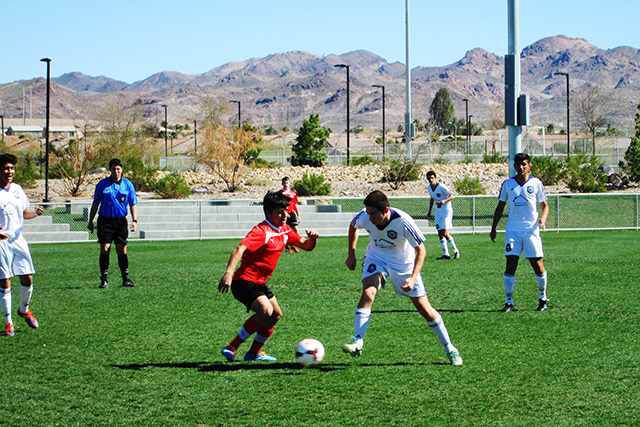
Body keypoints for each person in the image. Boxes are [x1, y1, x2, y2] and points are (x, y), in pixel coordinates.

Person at [343, 190, 462, 365]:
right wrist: (351, 254)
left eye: (373, 214)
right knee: (368, 293)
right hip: (377, 257)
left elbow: (421, 250)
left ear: (385, 210)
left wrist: (413, 278)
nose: (369, 218)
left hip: (403, 263)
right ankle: (358, 342)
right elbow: (354, 225)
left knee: (423, 308)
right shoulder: (365, 216)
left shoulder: (403, 221)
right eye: (367, 213)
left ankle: (450, 348)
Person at [219, 190, 319, 362]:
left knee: (275, 315)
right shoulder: (261, 231)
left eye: (286, 211)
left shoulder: (284, 229)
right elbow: (239, 249)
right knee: (266, 311)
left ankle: (253, 353)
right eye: (280, 212)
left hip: (259, 282)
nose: (285, 215)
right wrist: (228, 273)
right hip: (243, 281)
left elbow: (305, 245)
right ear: (268, 213)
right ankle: (232, 347)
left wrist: (313, 239)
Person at [490, 153, 550, 312]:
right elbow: (500, 207)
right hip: (513, 231)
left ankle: (542, 298)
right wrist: (494, 227)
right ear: (514, 166)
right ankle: (509, 302)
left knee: (537, 265)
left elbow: (544, 206)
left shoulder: (536, 183)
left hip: (531, 231)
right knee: (510, 265)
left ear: (529, 165)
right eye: (518, 164)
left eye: (524, 164)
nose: (521, 167)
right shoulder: (508, 184)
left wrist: (543, 219)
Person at [0, 154, 43, 336]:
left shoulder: (17, 189)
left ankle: (24, 310)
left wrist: (35, 213)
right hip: (1, 242)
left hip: (18, 239)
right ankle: (8, 322)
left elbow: (23, 212)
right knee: (6, 280)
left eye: (12, 168)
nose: (10, 172)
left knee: (27, 277)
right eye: (6, 168)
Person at [87, 158, 138, 289]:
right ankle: (103, 279)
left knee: (122, 249)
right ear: (110, 170)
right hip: (105, 221)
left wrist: (134, 220)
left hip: (120, 222)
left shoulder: (127, 185)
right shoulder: (102, 184)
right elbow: (96, 203)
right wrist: (91, 220)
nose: (116, 171)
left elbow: (133, 204)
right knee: (105, 248)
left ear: (121, 170)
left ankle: (125, 278)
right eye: (114, 169)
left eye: (118, 169)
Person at [426, 171, 460, 260]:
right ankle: (446, 254)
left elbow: (452, 196)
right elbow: (432, 198)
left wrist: (443, 201)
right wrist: (429, 211)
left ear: (435, 178)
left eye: (432, 178)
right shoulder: (429, 188)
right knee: (440, 233)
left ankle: (456, 251)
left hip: (446, 211)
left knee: (445, 232)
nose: (431, 180)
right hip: (438, 211)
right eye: (429, 178)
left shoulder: (441, 187)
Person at [280, 176, 301, 253]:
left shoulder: (293, 193)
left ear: (290, 183)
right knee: (284, 231)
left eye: (287, 183)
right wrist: (284, 212)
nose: (286, 184)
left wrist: (298, 215)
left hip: (292, 213)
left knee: (295, 230)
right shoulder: (280, 193)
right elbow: (279, 205)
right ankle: (287, 247)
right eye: (284, 183)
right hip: (283, 214)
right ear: (282, 183)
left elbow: (295, 204)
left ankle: (293, 245)